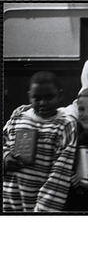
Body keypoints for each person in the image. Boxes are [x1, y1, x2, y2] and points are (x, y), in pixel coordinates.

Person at [3, 71, 77, 212]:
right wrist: (5, 157)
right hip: (9, 199)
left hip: (41, 203)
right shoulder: (18, 117)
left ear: (60, 95)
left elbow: (60, 173)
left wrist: (44, 210)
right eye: (36, 97)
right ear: (29, 96)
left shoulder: (65, 125)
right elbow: (4, 142)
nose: (43, 103)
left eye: (49, 97)